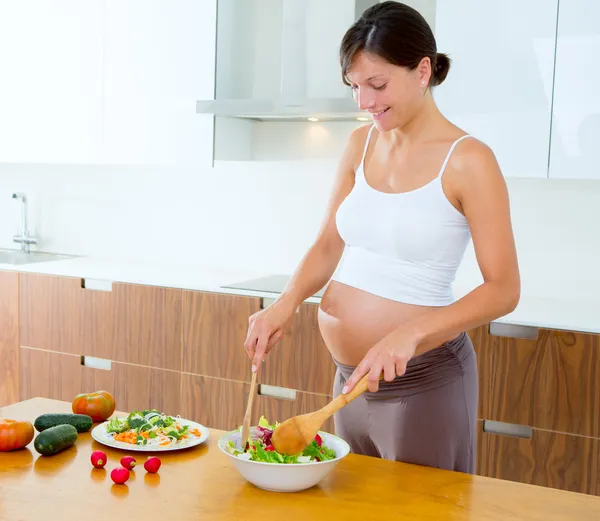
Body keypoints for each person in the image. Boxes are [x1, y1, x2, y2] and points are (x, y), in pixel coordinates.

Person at [244, 1, 520, 473]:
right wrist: (285, 303)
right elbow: (329, 242)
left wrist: (411, 333)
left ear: (422, 70)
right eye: (355, 87)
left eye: (377, 84)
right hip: (348, 383)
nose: (364, 102)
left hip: (424, 382)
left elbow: (504, 289)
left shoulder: (469, 159)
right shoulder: (360, 144)